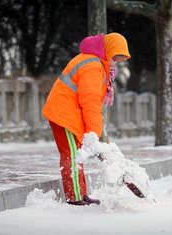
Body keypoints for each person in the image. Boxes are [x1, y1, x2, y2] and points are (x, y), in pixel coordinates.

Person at [42, 33, 131, 206]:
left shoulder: (94, 61)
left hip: (69, 113)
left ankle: (80, 194)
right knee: (72, 156)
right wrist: (93, 134)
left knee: (77, 155)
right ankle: (74, 197)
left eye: (119, 60)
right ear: (107, 51)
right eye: (114, 57)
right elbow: (90, 102)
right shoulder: (94, 67)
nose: (115, 62)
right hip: (64, 115)